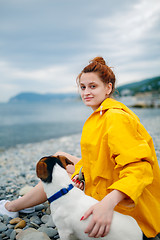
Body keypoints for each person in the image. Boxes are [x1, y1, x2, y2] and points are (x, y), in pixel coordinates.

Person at [0, 57, 160, 239]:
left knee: (56, 170)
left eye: (93, 86)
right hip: (109, 179)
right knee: (59, 157)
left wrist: (107, 204)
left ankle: (11, 207)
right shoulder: (101, 114)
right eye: (83, 87)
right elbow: (101, 161)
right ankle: (27, 203)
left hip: (128, 208)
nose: (86, 92)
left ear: (108, 88)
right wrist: (82, 177)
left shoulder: (116, 118)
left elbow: (139, 168)